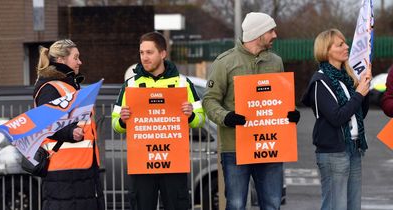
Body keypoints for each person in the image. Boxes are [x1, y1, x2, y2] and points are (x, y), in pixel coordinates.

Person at [202, 12, 300, 210]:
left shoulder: (276, 62)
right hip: (235, 148)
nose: (275, 35)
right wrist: (226, 117)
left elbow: (281, 99)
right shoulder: (225, 63)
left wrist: (291, 112)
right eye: (271, 30)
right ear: (258, 33)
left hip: (270, 146)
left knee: (272, 204)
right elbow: (209, 100)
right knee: (236, 204)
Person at [111, 32, 205, 210]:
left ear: (163, 54)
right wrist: (123, 120)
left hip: (174, 163)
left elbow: (200, 119)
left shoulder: (183, 83)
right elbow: (115, 125)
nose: (144, 58)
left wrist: (191, 114)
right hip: (142, 163)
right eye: (141, 53)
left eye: (149, 52)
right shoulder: (130, 85)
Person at [301, 29, 371, 210]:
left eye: (345, 43)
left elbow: (360, 113)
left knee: (353, 206)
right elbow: (336, 117)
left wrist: (364, 88)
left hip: (354, 149)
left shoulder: (347, 78)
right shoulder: (320, 81)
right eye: (340, 44)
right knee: (335, 206)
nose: (347, 47)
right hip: (333, 153)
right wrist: (358, 94)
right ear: (327, 50)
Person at [34, 39, 104, 210]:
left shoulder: (71, 87)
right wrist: (70, 132)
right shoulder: (50, 87)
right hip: (64, 169)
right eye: (76, 57)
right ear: (61, 60)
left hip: (81, 166)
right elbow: (45, 122)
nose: (80, 62)